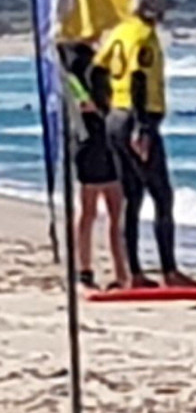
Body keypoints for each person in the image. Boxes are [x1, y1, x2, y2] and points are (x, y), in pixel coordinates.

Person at [94, 0, 196, 288]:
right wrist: (141, 128)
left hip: (116, 117)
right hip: (139, 121)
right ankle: (169, 271)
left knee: (132, 197)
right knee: (162, 196)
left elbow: (96, 71)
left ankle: (134, 273)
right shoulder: (144, 37)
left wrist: (106, 108)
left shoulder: (120, 31)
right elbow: (139, 78)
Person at [58, 42, 129, 291]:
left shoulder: (100, 55)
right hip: (91, 139)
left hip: (102, 138)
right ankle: (86, 270)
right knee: (94, 208)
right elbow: (82, 101)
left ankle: (120, 271)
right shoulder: (75, 61)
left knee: (113, 211)